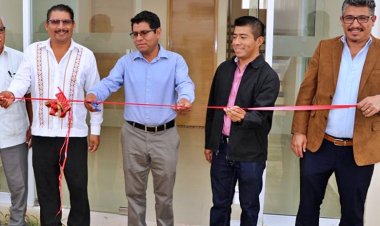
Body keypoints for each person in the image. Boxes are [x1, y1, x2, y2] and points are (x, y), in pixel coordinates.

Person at [84, 10, 194, 226]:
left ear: (158, 32)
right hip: (132, 135)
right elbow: (109, 83)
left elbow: (185, 84)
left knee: (164, 197)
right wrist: (94, 94)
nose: (139, 38)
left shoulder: (175, 61)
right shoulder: (126, 62)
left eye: (144, 33)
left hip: (165, 136)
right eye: (134, 34)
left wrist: (185, 99)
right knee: (134, 194)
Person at [0, 4, 103, 226]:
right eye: (55, 22)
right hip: (42, 135)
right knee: (47, 194)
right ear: (47, 26)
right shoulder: (33, 51)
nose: (60, 27)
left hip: (74, 136)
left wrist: (95, 130)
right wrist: (11, 93)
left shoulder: (86, 56)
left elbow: (96, 94)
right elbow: (21, 81)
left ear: (73, 25)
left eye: (65, 22)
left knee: (78, 190)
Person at [291, 0, 380, 225]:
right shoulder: (325, 47)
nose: (355, 24)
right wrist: (299, 131)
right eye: (349, 18)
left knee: (352, 214)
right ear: (342, 20)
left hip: (358, 151)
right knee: (307, 208)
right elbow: (306, 92)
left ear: (373, 20)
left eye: (362, 18)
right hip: (319, 144)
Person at [204, 16, 280, 226]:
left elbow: (262, 118)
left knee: (249, 207)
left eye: (243, 37)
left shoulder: (268, 76)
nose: (236, 42)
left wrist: (244, 117)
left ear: (259, 41)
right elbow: (212, 109)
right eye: (234, 36)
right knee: (219, 204)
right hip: (222, 149)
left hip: (250, 154)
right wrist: (210, 142)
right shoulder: (224, 69)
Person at [0, 16, 32, 226]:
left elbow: (29, 96)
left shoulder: (20, 58)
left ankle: (16, 223)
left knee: (18, 187)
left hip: (14, 133)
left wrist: (32, 125)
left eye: (0, 30)